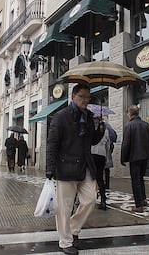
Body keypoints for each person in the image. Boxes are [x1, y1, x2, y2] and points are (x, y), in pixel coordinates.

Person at [46, 83, 103, 255]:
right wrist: (50, 168)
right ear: (73, 96)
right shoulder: (61, 117)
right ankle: (65, 241)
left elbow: (92, 141)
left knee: (90, 199)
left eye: (88, 97)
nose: (86, 100)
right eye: (82, 97)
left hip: (85, 166)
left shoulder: (89, 116)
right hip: (65, 167)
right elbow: (52, 144)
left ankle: (73, 228)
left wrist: (99, 127)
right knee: (65, 207)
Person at [121, 105, 149, 213]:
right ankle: (143, 199)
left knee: (135, 181)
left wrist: (123, 158)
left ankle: (139, 205)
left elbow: (126, 144)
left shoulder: (129, 126)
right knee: (141, 179)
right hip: (145, 156)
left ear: (130, 114)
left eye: (127, 114)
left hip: (134, 157)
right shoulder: (146, 125)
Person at [91, 120, 112, 211]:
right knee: (100, 178)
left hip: (92, 155)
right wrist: (107, 158)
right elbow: (108, 146)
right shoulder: (106, 131)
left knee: (89, 177)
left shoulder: (91, 129)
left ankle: (88, 198)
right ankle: (103, 200)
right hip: (102, 156)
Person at [104, 122, 117, 189]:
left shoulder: (105, 126)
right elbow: (114, 137)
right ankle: (106, 185)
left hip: (101, 150)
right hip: (107, 148)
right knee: (106, 168)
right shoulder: (107, 125)